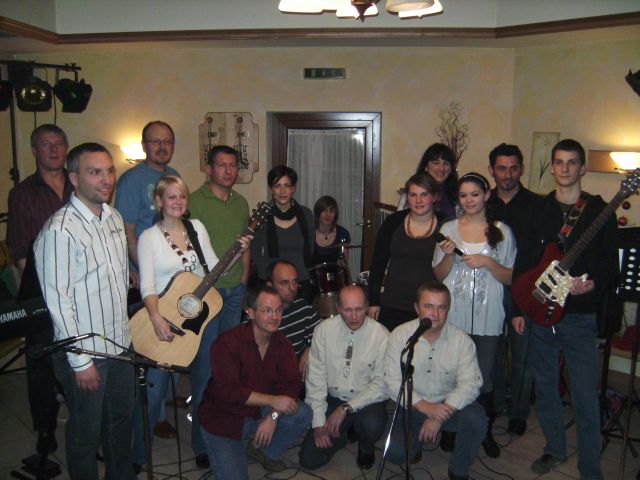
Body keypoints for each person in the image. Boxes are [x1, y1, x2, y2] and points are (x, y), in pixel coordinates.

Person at [512, 139, 618, 478]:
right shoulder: (538, 210)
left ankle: (590, 468)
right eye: (559, 162)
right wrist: (518, 308)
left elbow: (610, 266)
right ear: (553, 167)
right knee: (545, 388)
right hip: (540, 312)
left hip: (579, 316)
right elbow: (524, 261)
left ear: (582, 168)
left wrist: (593, 285)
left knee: (585, 396)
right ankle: (554, 449)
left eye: (572, 162)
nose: (565, 168)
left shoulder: (600, 211)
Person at [131, 176, 251, 470]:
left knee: (204, 385)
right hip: (163, 319)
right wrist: (156, 318)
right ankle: (136, 455)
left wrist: (237, 251)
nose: (177, 202)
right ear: (159, 201)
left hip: (200, 320)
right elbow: (147, 285)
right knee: (154, 392)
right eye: (171, 197)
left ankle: (200, 445)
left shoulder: (196, 228)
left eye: (182, 196)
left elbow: (215, 271)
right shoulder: (149, 238)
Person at [33, 143, 136, 480]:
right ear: (74, 178)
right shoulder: (59, 230)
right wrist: (81, 361)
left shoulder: (113, 217)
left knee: (121, 424)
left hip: (120, 346)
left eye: (110, 171)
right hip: (86, 352)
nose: (107, 179)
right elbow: (59, 303)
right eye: (95, 172)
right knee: (85, 433)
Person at [433, 172, 516, 458]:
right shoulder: (448, 228)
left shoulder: (501, 231)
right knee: (452, 374)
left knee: (484, 378)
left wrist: (488, 262)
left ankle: (483, 431)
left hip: (488, 315)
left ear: (486, 195)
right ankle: (450, 428)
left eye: (475, 194)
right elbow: (438, 275)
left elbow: (510, 277)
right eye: (464, 195)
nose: (469, 200)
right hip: (453, 315)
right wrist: (448, 255)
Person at [198, 286, 313, 480]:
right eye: (267, 310)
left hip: (257, 413)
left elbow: (291, 384)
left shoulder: (282, 343)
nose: (274, 316)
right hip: (224, 421)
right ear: (250, 313)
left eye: (278, 310)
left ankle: (261, 451)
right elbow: (229, 391)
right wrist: (273, 402)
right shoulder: (227, 343)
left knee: (302, 413)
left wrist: (274, 416)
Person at [6, 124, 73, 456]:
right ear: (35, 150)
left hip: (78, 290)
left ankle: (84, 427)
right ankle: (45, 432)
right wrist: (41, 295)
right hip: (41, 292)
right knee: (41, 366)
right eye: (47, 144)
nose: (54, 149)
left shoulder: (78, 185)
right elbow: (20, 250)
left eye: (59, 143)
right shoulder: (22, 193)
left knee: (78, 359)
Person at [115, 120, 180, 439]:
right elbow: (126, 229)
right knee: (152, 347)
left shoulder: (173, 175)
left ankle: (165, 400)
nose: (162, 146)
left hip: (171, 277)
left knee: (172, 337)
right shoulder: (131, 180)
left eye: (167, 141)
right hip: (145, 276)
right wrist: (136, 268)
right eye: (155, 141)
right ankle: (153, 416)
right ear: (144, 146)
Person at [188, 144, 251, 468]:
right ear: (209, 168)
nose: (228, 171)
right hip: (207, 295)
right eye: (222, 165)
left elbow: (245, 243)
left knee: (228, 367)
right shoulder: (193, 202)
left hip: (235, 293)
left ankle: (225, 429)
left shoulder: (241, 203)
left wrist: (245, 277)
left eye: (232, 165)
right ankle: (200, 441)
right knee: (204, 368)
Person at [385, 281, 485, 480]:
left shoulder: (462, 341)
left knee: (476, 419)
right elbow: (392, 381)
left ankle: (458, 470)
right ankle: (416, 443)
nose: (435, 314)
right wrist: (424, 407)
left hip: (447, 406)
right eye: (428, 306)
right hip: (412, 405)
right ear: (417, 308)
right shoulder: (400, 336)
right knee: (394, 454)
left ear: (448, 309)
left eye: (441, 307)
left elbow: (471, 384)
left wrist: (439, 415)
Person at [299, 285, 388, 471]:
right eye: (347, 310)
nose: (354, 316)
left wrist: (346, 408)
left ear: (367, 306)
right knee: (309, 460)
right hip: (334, 397)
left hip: (366, 399)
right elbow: (315, 380)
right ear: (338, 308)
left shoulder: (382, 336)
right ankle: (345, 433)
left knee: (372, 425)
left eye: (359, 309)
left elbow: (381, 384)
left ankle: (366, 446)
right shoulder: (323, 330)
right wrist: (318, 423)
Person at [487, 143, 543, 436]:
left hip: (525, 290)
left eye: (513, 168)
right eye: (501, 168)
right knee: (493, 351)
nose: (507, 175)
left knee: (523, 356)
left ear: (521, 169)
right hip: (491, 289)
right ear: (491, 170)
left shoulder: (537, 205)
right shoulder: (483, 203)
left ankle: (519, 412)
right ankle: (495, 404)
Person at [368, 173, 445, 331]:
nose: (418, 200)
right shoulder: (393, 222)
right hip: (392, 305)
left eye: (424, 195)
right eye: (413, 195)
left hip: (430, 309)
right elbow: (377, 264)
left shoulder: (446, 225)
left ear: (435, 197)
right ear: (406, 197)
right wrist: (373, 301)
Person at [251, 165, 315, 301]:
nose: (282, 191)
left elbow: (311, 248)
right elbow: (255, 253)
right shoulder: (261, 216)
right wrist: (266, 278)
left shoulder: (306, 215)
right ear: (271, 189)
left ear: (293, 189)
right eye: (277, 186)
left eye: (287, 185)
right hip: (271, 284)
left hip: (299, 281)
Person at [266, 260, 321, 381]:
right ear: (270, 286)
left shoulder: (302, 306)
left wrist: (310, 348)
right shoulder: (259, 318)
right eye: (284, 283)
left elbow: (323, 332)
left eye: (295, 282)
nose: (292, 288)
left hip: (298, 381)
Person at [415, 142, 459, 219]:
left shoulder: (458, 193)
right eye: (436, 163)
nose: (441, 168)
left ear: (451, 169)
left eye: (446, 164)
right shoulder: (414, 190)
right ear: (426, 166)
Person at [312, 195, 351, 265]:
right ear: (318, 212)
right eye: (324, 210)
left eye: (331, 211)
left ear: (335, 214)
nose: (328, 215)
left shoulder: (343, 233)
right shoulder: (309, 232)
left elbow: (343, 265)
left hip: (335, 272)